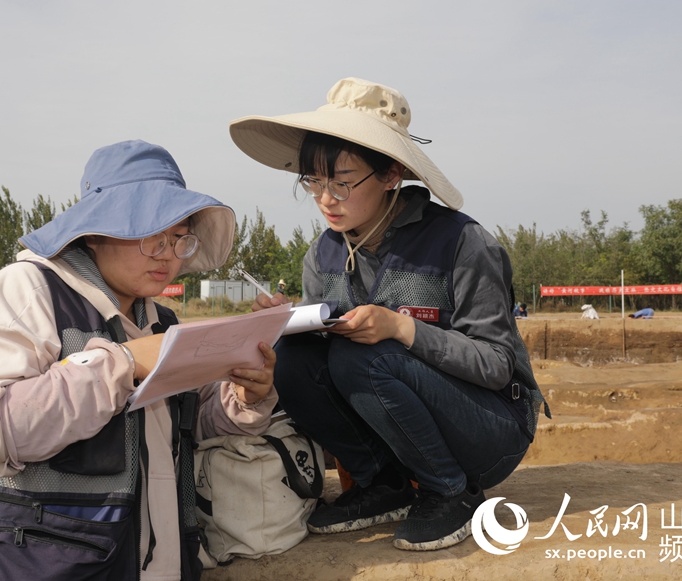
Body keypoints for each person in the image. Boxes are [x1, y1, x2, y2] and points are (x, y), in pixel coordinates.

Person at [0, 141, 279, 581]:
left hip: (154, 577)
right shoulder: (28, 290)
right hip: (37, 577)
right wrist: (124, 362)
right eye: (152, 237)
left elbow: (181, 425)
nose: (169, 255)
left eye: (180, 238)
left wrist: (245, 396)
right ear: (96, 231)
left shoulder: (160, 321)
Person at [230, 78, 544, 551]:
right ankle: (383, 482)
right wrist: (284, 321)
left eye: (341, 182)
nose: (324, 198)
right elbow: (318, 366)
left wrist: (403, 328)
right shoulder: (322, 256)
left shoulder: (461, 243)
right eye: (313, 181)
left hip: (488, 428)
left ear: (391, 174)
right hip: (396, 433)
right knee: (292, 353)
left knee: (368, 356)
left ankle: (449, 491)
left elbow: (496, 365)